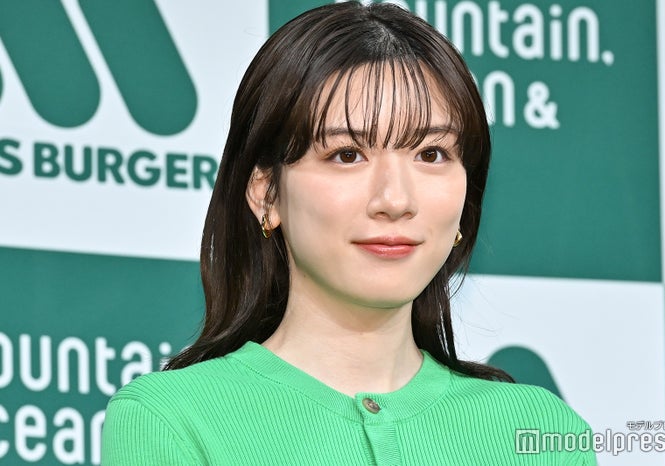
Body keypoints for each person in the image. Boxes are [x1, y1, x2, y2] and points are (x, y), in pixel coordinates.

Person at [102, 2, 595, 465]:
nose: (395, 200)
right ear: (267, 192)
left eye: (431, 154)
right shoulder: (172, 420)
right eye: (347, 155)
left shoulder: (541, 431)